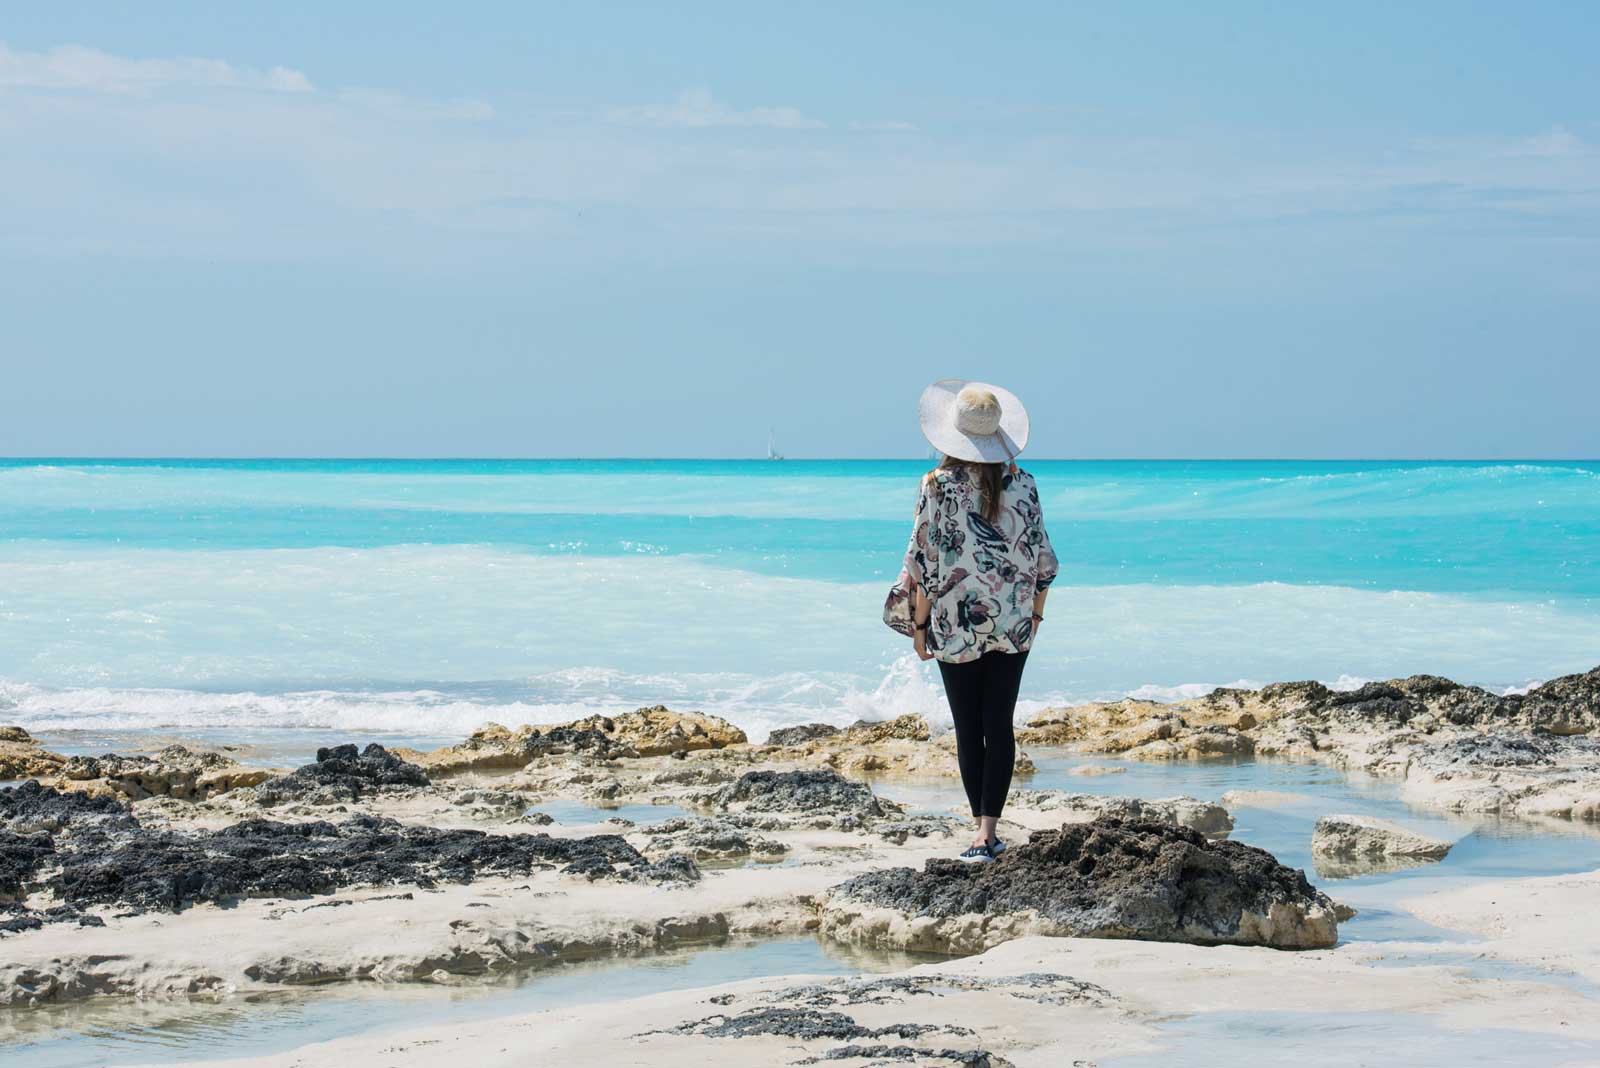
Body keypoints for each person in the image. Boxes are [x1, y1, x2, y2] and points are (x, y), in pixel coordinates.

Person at [884, 379, 1058, 862]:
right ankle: (989, 830)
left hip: (956, 624)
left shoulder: (935, 486)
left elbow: (923, 564)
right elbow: (1043, 562)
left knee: (968, 727)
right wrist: (1035, 618)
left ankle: (979, 837)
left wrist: (919, 630)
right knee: (999, 725)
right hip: (1014, 623)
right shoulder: (1023, 483)